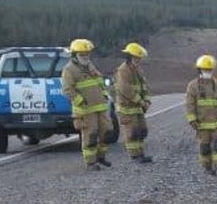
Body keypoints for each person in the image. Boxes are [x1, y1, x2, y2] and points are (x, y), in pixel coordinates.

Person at [61, 39, 113, 171]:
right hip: (85, 110)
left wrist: (104, 93)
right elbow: (67, 89)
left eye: (87, 54)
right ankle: (90, 163)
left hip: (100, 106)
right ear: (75, 55)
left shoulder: (90, 65)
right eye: (82, 54)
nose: (85, 57)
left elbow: (99, 81)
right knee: (91, 135)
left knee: (107, 131)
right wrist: (80, 101)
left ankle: (101, 157)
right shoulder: (69, 70)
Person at [185, 54, 217, 176]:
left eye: (210, 69)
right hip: (202, 125)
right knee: (205, 147)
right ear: (199, 69)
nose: (208, 72)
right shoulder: (193, 86)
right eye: (205, 69)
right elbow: (190, 104)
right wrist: (192, 120)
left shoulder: (216, 84)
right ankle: (207, 168)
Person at [115, 42, 153, 163]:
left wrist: (147, 100)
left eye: (139, 58)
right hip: (127, 108)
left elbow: (144, 86)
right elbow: (125, 89)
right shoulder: (123, 70)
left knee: (142, 130)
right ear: (129, 57)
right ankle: (135, 156)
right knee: (132, 132)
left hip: (138, 107)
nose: (138, 60)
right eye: (136, 57)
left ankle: (141, 153)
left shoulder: (138, 70)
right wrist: (140, 101)